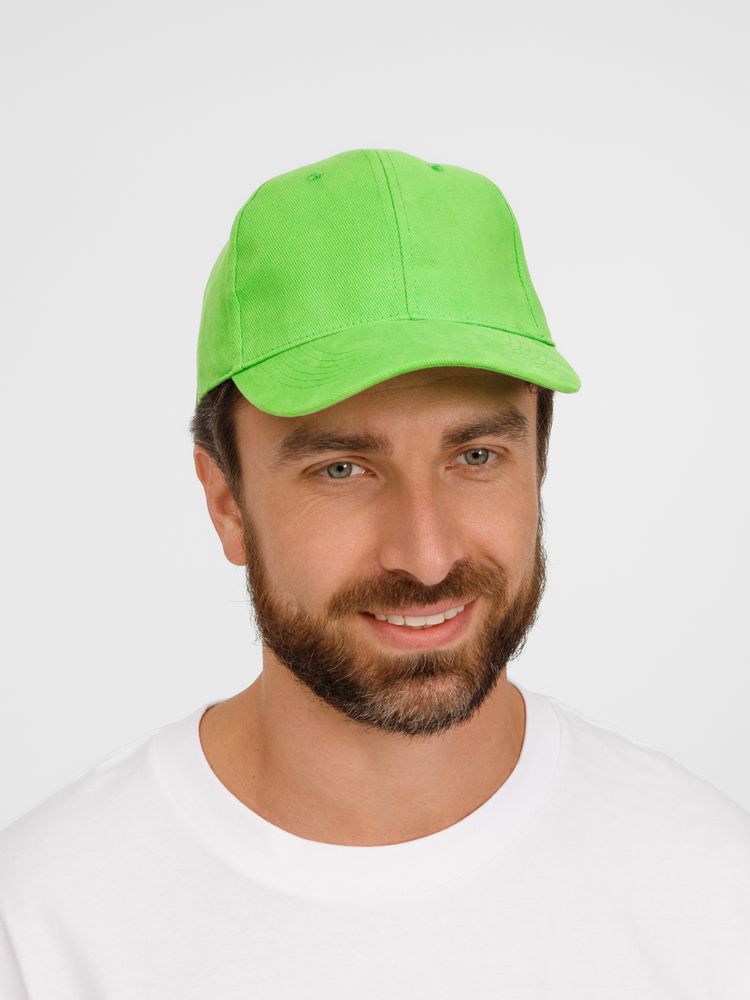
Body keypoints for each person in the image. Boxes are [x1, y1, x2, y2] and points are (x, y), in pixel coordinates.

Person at [1, 147, 748, 998]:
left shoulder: (711, 896)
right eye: (342, 469)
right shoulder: (42, 929)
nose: (426, 556)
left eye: (476, 455)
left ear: (539, 462)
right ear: (227, 502)